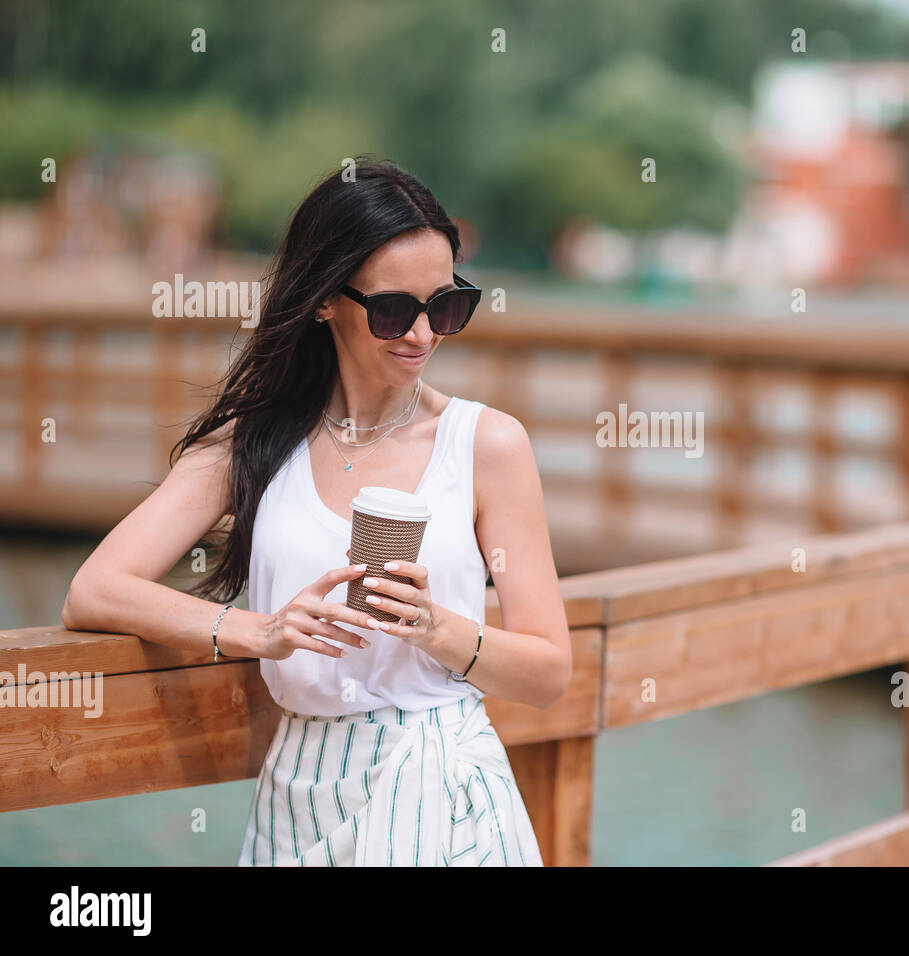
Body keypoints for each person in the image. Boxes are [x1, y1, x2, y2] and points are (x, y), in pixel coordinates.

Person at [61, 159, 571, 866]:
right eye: (394, 309)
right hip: (297, 787)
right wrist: (254, 630)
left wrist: (437, 628)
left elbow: (549, 672)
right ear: (327, 300)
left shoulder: (487, 445)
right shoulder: (253, 445)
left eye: (446, 306)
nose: (423, 334)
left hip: (440, 779)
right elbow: (94, 590)